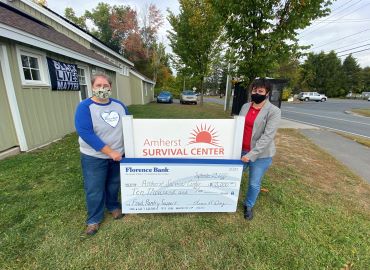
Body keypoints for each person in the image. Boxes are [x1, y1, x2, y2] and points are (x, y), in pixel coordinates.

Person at [74, 73, 129, 235]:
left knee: (113, 184)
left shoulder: (119, 106)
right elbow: (86, 133)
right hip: (94, 156)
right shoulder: (85, 107)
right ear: (92, 87)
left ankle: (113, 206)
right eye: (98, 86)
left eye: (106, 86)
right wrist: (110, 152)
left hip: (118, 155)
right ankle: (94, 219)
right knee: (94, 188)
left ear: (111, 87)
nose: (102, 89)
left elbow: (129, 126)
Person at [239, 78, 281, 220]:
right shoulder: (245, 107)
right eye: (254, 90)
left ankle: (248, 205)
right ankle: (227, 199)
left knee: (254, 183)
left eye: (260, 91)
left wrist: (251, 155)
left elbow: (267, 136)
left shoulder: (274, 111)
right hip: (241, 150)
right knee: (233, 176)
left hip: (261, 154)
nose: (256, 93)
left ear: (267, 93)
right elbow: (238, 127)